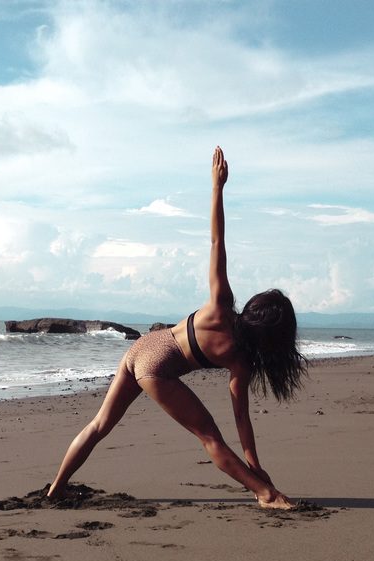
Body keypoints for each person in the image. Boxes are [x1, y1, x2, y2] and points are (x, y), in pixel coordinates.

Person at [47, 147, 307, 509]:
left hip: (141, 347)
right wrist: (256, 468)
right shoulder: (240, 361)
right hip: (158, 368)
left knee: (99, 425)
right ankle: (266, 495)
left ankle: (55, 488)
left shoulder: (221, 307)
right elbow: (241, 419)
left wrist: (217, 188)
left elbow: (217, 243)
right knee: (210, 437)